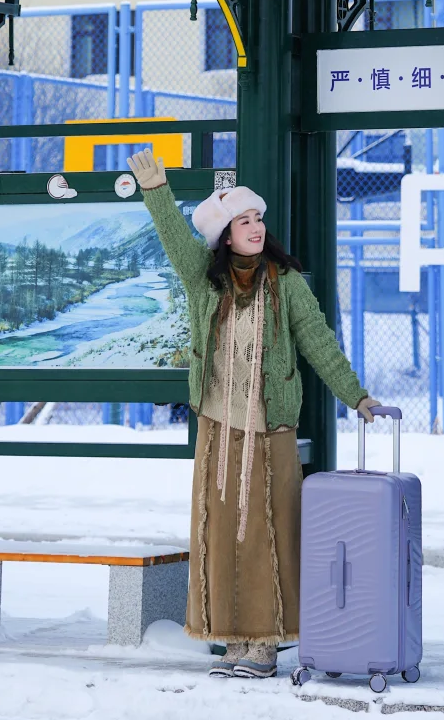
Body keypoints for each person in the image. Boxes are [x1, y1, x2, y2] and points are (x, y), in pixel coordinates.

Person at [128, 148, 380, 679]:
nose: (256, 228)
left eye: (259, 219)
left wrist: (356, 396)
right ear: (224, 234)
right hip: (217, 426)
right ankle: (233, 640)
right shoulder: (206, 282)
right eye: (244, 221)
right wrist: (156, 192)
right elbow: (176, 239)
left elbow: (318, 343)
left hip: (271, 427)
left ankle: (266, 643)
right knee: (220, 532)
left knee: (268, 531)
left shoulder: (285, 282)